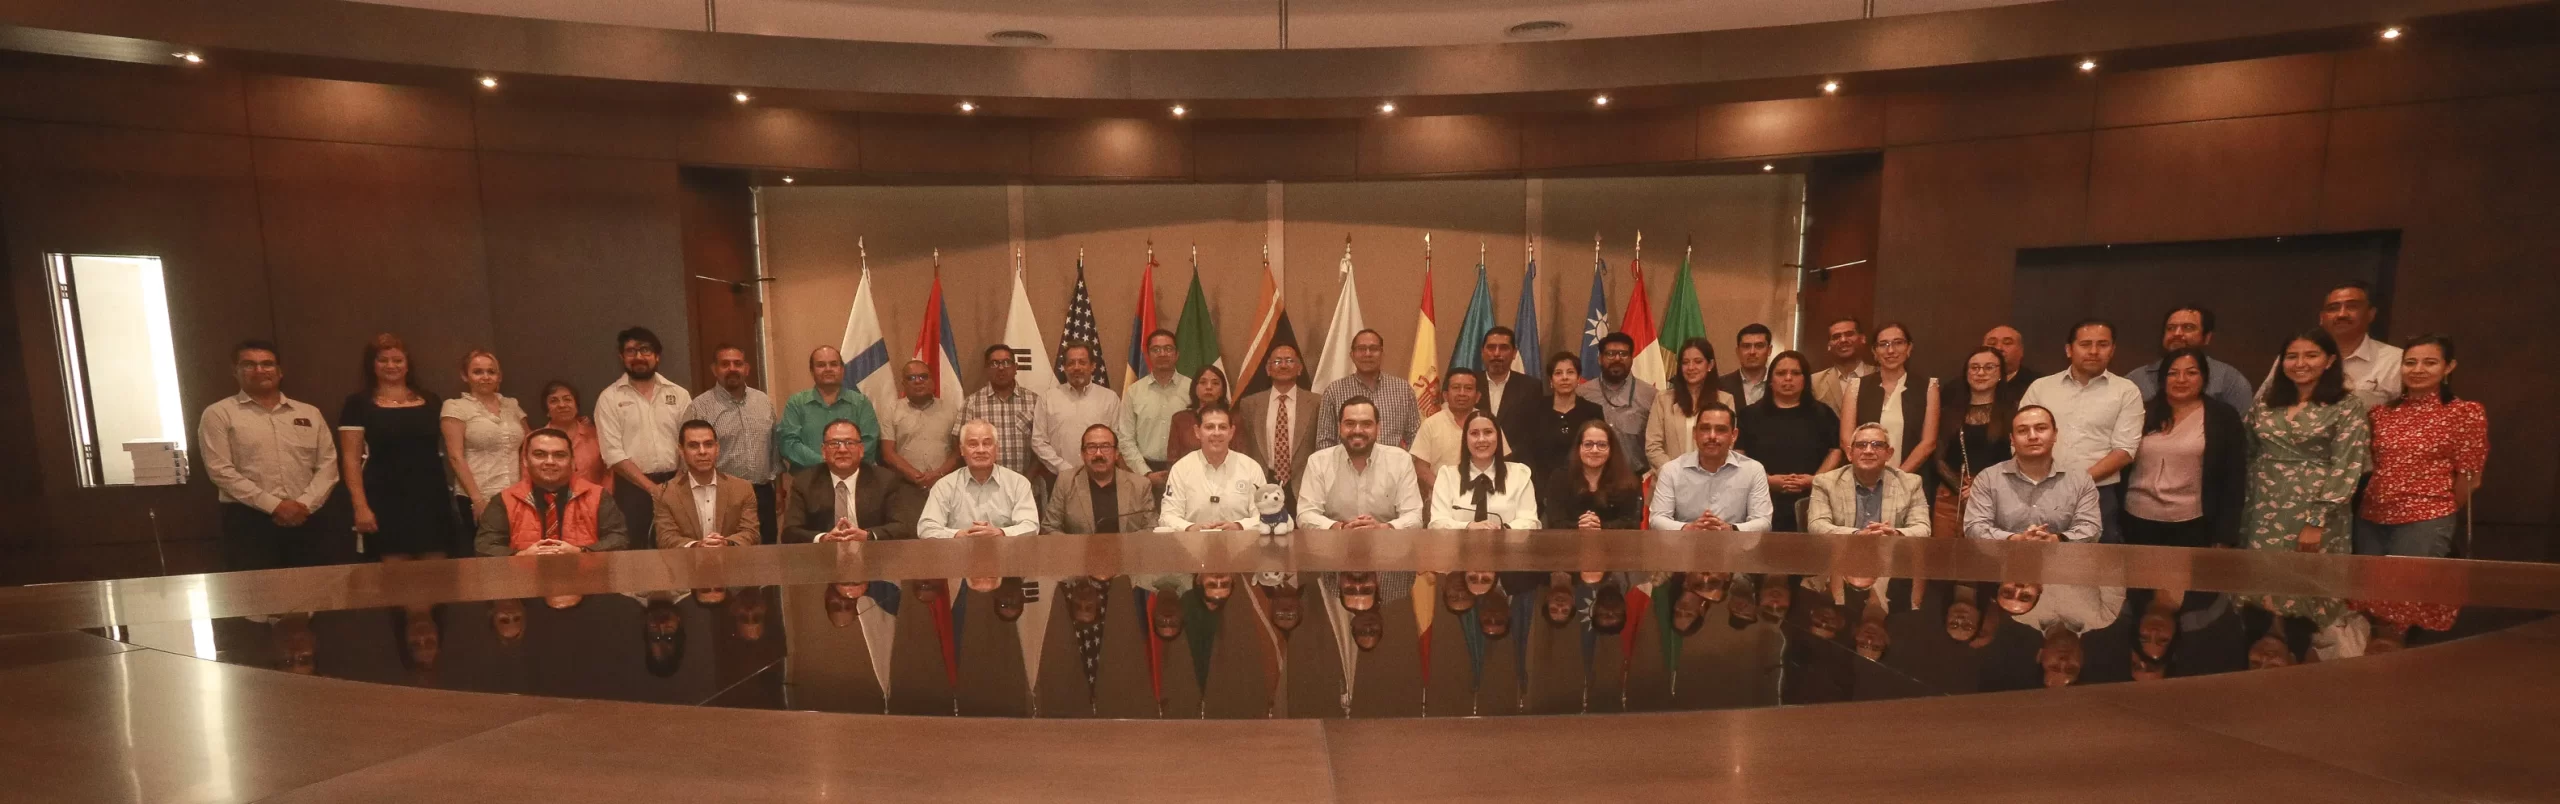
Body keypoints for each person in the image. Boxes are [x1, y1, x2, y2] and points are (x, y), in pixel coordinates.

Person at [2243, 330, 2372, 623]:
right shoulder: (2266, 402)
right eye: (2292, 356)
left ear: (2329, 361)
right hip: (2262, 505)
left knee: (2305, 584)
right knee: (2261, 582)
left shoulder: (2347, 405)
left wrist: (2317, 519)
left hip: (2315, 509)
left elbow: (2348, 465)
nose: (2300, 363)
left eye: (2311, 355)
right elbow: (2248, 448)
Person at [200, 340, 342, 570]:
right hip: (248, 520)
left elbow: (328, 466)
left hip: (306, 516)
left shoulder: (309, 413)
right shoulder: (218, 413)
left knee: (311, 588)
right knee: (257, 590)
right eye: (249, 365)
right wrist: (275, 506)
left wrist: (304, 505)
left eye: (267, 364)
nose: (259, 370)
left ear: (279, 371)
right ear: (235, 371)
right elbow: (220, 471)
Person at [2356, 335, 2487, 558]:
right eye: (2410, 362)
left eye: (2430, 362)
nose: (2418, 369)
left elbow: (2470, 479)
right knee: (2364, 582)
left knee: (2407, 582)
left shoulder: (2464, 412)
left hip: (2425, 520)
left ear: (2449, 367)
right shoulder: (2382, 413)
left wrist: (2435, 509)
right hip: (2371, 518)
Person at [2019, 319, 2144, 543]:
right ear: (2069, 349)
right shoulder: (2041, 387)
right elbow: (2020, 439)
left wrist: (2074, 484)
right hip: (2039, 490)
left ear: (2112, 350)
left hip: (2098, 493)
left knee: (2098, 562)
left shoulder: (2126, 391)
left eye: (2102, 344)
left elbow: (2125, 450)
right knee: (2039, 559)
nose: (2094, 351)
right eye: (2085, 344)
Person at [2120, 348, 2250, 549]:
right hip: (2137, 519)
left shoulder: (2223, 417)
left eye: (2191, 373)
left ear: (2204, 377)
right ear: (2162, 379)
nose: (2181, 379)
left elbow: (2233, 478)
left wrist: (2225, 534)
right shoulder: (2141, 412)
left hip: (2193, 523)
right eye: (2173, 373)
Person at [338, 333, 451, 560]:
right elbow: (350, 460)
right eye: (383, 360)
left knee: (438, 572)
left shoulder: (431, 400)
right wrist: (360, 507)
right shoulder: (357, 404)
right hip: (384, 499)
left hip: (430, 497)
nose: (391, 366)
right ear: (372, 365)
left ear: (408, 364)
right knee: (395, 574)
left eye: (397, 360)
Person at [597, 327, 692, 547]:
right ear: (621, 357)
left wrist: (675, 483)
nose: (638, 356)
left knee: (678, 548)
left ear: (657, 356)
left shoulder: (679, 394)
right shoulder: (609, 398)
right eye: (631, 351)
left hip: (677, 484)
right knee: (636, 552)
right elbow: (612, 453)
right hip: (632, 488)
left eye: (646, 350)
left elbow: (689, 442)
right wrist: (652, 489)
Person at [473, 428, 629, 556]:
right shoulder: (505, 499)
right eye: (540, 454)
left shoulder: (598, 496)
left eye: (559, 455)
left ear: (572, 461)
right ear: (525, 460)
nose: (550, 461)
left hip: (586, 578)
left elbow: (619, 539)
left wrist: (581, 552)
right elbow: (484, 546)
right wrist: (520, 555)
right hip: (524, 579)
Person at [684, 345, 781, 544]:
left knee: (767, 552)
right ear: (714, 369)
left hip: (762, 493)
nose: (732, 369)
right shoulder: (700, 407)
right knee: (726, 551)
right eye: (725, 364)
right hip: (722, 496)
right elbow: (688, 456)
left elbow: (774, 450)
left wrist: (778, 491)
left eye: (738, 363)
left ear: (746, 368)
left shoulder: (763, 401)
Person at [1962, 405, 2102, 542]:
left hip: (2063, 556)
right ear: (2012, 439)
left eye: (2041, 428)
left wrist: (2055, 539)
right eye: (2022, 431)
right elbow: (1974, 527)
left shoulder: (2080, 480)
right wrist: (2017, 539)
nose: (2032, 436)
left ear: (2055, 434)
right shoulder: (1988, 478)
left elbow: (2091, 528)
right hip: (2002, 556)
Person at [1737, 351, 1841, 532]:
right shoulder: (1750, 415)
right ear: (1770, 380)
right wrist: (1766, 480)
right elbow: (1739, 453)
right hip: (1762, 498)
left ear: (1805, 379)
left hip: (1812, 499)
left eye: (1795, 373)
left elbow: (1836, 450)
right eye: (1781, 373)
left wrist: (1816, 480)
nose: (1788, 378)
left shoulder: (1823, 413)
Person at [2260, 281, 2403, 409]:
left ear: (2371, 314)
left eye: (2352, 307)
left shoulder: (2395, 360)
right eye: (2333, 308)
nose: (2341, 314)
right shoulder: (2294, 357)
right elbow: (2263, 403)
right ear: (2321, 318)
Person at [1295, 397, 1426, 530]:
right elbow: (1306, 514)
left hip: (1386, 541)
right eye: (1350, 424)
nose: (1357, 430)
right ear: (1339, 427)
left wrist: (1382, 528)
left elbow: (1414, 516)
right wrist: (1340, 527)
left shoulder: (1400, 461)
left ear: (1378, 428)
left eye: (1366, 424)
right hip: (1335, 541)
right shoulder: (1318, 462)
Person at [441, 349, 525, 556]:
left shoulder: (511, 405)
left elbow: (531, 442)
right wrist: (477, 500)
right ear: (465, 376)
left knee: (518, 556)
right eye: (478, 372)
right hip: (479, 495)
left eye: (491, 371)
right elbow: (455, 456)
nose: (485, 377)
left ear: (499, 376)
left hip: (515, 495)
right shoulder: (455, 407)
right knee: (484, 559)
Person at [782, 420, 922, 543]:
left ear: (861, 450)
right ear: (823, 451)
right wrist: (823, 538)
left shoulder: (885, 480)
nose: (842, 449)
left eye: (850, 443)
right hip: (821, 557)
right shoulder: (805, 482)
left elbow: (902, 527)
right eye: (834, 444)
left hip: (874, 557)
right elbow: (790, 532)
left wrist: (868, 536)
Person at [1646, 402, 1773, 532]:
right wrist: (1688, 528)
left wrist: (1731, 529)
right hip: (1685, 542)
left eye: (1721, 430)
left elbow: (1763, 521)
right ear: (1695, 433)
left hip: (1735, 543)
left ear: (1733, 436)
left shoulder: (1753, 470)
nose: (1712, 436)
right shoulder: (1671, 470)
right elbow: (1657, 519)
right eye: (1705, 429)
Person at [1841, 322, 1939, 489]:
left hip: (1910, 482)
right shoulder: (1856, 386)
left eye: (1898, 343)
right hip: (1862, 482)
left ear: (1909, 348)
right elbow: (1846, 440)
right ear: (1874, 352)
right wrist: (1870, 477)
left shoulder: (1928, 387)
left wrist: (1897, 479)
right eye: (1883, 344)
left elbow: (1928, 442)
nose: (1891, 350)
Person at [918, 419, 1040, 538]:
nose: (981, 450)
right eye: (973, 444)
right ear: (962, 450)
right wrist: (958, 534)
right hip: (959, 550)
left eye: (987, 444)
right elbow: (926, 528)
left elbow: (1030, 525)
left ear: (996, 449)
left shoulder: (1018, 483)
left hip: (1005, 550)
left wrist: (1001, 533)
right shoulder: (945, 486)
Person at [2125, 305, 2257, 415]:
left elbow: (2243, 431)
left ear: (2207, 337)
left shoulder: (2229, 380)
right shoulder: (2136, 379)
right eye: (2171, 328)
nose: (2177, 333)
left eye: (2188, 327)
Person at [952, 344, 1053, 485]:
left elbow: (1043, 444)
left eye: (1006, 362)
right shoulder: (972, 403)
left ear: (1015, 367)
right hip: (984, 485)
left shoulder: (1034, 401)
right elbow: (959, 443)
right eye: (994, 363)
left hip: (1027, 483)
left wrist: (1026, 480)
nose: (1001, 368)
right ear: (986, 369)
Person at [774, 345, 883, 476]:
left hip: (854, 480)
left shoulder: (861, 403)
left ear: (842, 369)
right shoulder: (796, 403)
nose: (828, 369)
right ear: (812, 371)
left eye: (833, 364)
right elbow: (789, 444)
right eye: (821, 365)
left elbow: (869, 443)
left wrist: (839, 466)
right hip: (808, 480)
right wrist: (828, 464)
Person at [1807, 423, 1932, 536]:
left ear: (1888, 453)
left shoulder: (1911, 483)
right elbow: (1817, 525)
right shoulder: (1825, 482)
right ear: (1850, 453)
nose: (1868, 451)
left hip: (1890, 551)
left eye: (1877, 445)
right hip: (1843, 551)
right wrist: (1857, 534)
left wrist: (1896, 533)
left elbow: (1922, 527)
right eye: (1861, 445)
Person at [1158, 407, 1268, 531]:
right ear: (1197, 432)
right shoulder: (1181, 469)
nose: (1216, 433)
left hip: (1240, 541)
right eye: (1209, 427)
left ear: (1231, 432)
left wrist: (1238, 526)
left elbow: (1266, 516)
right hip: (1193, 541)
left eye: (1222, 427)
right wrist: (1191, 528)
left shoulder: (1251, 468)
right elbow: (1167, 516)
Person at [652, 419, 759, 548]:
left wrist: (725, 543)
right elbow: (666, 539)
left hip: (732, 559)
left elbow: (751, 533)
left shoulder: (742, 489)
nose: (702, 451)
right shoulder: (665, 493)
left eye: (708, 445)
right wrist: (697, 546)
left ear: (717, 448)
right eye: (693, 446)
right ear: (681, 450)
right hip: (686, 560)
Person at [1036, 341, 1133, 480]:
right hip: (1059, 476)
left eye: (1082, 362)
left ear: (1092, 366)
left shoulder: (1109, 398)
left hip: (1101, 475)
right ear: (1064, 367)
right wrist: (1063, 468)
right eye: (1071, 363)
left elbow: (1118, 439)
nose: (1076, 367)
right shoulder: (1047, 399)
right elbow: (1038, 441)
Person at [1428, 410, 1540, 529]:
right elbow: (1437, 522)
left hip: (1507, 540)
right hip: (1460, 541)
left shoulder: (1519, 474)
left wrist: (1502, 529)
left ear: (1498, 437)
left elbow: (1530, 521)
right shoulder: (1447, 476)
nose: (1481, 439)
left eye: (1488, 432)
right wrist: (1467, 526)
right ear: (1465, 439)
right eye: (1474, 433)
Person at [1509, 352, 1604, 488]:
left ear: (1578, 378)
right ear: (1551, 380)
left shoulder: (1593, 411)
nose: (1564, 377)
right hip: (1539, 486)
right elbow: (1524, 452)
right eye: (1558, 373)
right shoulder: (1532, 410)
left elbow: (1599, 451)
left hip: (1583, 485)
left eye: (1570, 372)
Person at [1043, 423, 1158, 534]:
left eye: (1105, 447)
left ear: (1116, 453)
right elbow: (1049, 527)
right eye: (1091, 447)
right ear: (1082, 454)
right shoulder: (1066, 482)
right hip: (1079, 548)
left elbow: (1152, 527)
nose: (1098, 454)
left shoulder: (1140, 485)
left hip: (1127, 547)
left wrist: (1123, 544)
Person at [1316, 329, 1421, 450]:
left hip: (1392, 462)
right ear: (1352, 355)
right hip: (1345, 462)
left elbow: (1415, 438)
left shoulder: (1403, 390)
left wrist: (1403, 460)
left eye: (1373, 349)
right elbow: (1325, 441)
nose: (1367, 354)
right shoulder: (1334, 391)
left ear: (1382, 354)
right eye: (1361, 349)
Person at [1935, 347, 2018, 499]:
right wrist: (1960, 487)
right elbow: (1937, 458)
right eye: (1974, 367)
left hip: (2000, 493)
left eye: (1989, 367)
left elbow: (2019, 457)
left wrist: (1982, 487)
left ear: (2001, 373)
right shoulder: (1948, 412)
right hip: (1953, 496)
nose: (1980, 373)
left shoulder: (2014, 412)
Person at [1235, 343, 1317, 492]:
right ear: (1268, 369)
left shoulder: (1316, 403)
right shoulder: (1250, 404)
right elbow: (1245, 446)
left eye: (1289, 361)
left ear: (1300, 368)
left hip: (1303, 485)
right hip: (1262, 484)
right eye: (1277, 361)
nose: (1283, 366)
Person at [1644, 338, 1736, 470]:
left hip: (1711, 476)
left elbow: (1727, 444)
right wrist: (1676, 474)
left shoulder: (1725, 400)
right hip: (1670, 476)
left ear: (1710, 365)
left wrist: (1701, 474)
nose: (1691, 367)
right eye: (1685, 362)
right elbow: (1653, 447)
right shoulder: (1663, 399)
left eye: (1698, 362)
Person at [1539, 419, 1644, 530]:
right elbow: (1555, 522)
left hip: (1615, 540)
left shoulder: (1628, 482)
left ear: (1611, 449)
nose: (1594, 450)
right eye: (1588, 444)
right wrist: (1579, 526)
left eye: (1602, 445)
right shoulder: (1559, 479)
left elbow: (1632, 523)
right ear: (1579, 447)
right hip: (1567, 540)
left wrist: (1600, 526)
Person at [1575, 332, 1655, 475]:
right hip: (1591, 477)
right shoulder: (1582, 393)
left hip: (1636, 477)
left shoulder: (1651, 395)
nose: (1617, 358)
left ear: (1631, 359)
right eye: (1610, 354)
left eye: (1623, 354)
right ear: (1600, 359)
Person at [1120, 329, 1191, 482]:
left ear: (1177, 354)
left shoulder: (1192, 389)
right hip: (1144, 471)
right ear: (1148, 355)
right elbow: (1125, 439)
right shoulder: (1134, 392)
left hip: (1186, 471)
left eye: (1168, 349)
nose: (1162, 354)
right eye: (1156, 349)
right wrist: (1146, 473)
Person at [878, 359, 960, 491]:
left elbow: (958, 451)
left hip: (945, 484)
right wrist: (914, 475)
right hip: (905, 486)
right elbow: (888, 452)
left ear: (932, 381)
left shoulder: (951, 410)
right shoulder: (891, 410)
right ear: (903, 384)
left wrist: (939, 474)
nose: (918, 381)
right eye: (911, 378)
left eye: (923, 377)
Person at [1411, 367, 1483, 495]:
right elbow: (1421, 468)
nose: (1462, 393)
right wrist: (1445, 491)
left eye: (1468, 388)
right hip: (1441, 496)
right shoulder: (1431, 424)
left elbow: (1501, 462)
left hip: (1482, 496)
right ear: (1445, 395)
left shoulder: (1488, 423)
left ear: (1477, 396)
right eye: (1456, 387)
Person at [535, 381, 612, 490]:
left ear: (576, 406)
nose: (562, 405)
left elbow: (608, 473)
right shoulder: (535, 441)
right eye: (554, 401)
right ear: (547, 410)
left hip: (595, 498)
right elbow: (528, 481)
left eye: (567, 399)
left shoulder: (596, 435)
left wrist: (602, 498)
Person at [1166, 364, 1228, 466]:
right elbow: (1173, 460)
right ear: (1194, 387)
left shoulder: (1234, 419)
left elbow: (1241, 459)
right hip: (1187, 474)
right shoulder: (1180, 419)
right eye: (1203, 382)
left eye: (1215, 383)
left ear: (1223, 390)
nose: (1209, 387)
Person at [1809, 317, 1874, 413]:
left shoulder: (1880, 375)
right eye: (1836, 337)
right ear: (1829, 345)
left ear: (1863, 339)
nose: (1843, 340)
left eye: (1849, 334)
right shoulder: (1815, 382)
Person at [1477, 326, 1540, 421]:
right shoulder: (1471, 384)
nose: (1496, 353)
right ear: (1482, 352)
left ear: (1514, 353)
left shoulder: (1531, 387)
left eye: (1503, 348)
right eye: (1491, 348)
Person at [1719, 324, 1775, 406]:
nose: (1752, 352)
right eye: (1746, 346)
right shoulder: (1720, 385)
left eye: (1759, 346)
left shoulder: (1779, 383)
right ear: (1738, 351)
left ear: (1769, 350)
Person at [1982, 325, 2040, 397]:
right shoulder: (1970, 381)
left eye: (2007, 343)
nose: (1999, 348)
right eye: (1992, 343)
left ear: (2021, 350)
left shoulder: (2037, 383)